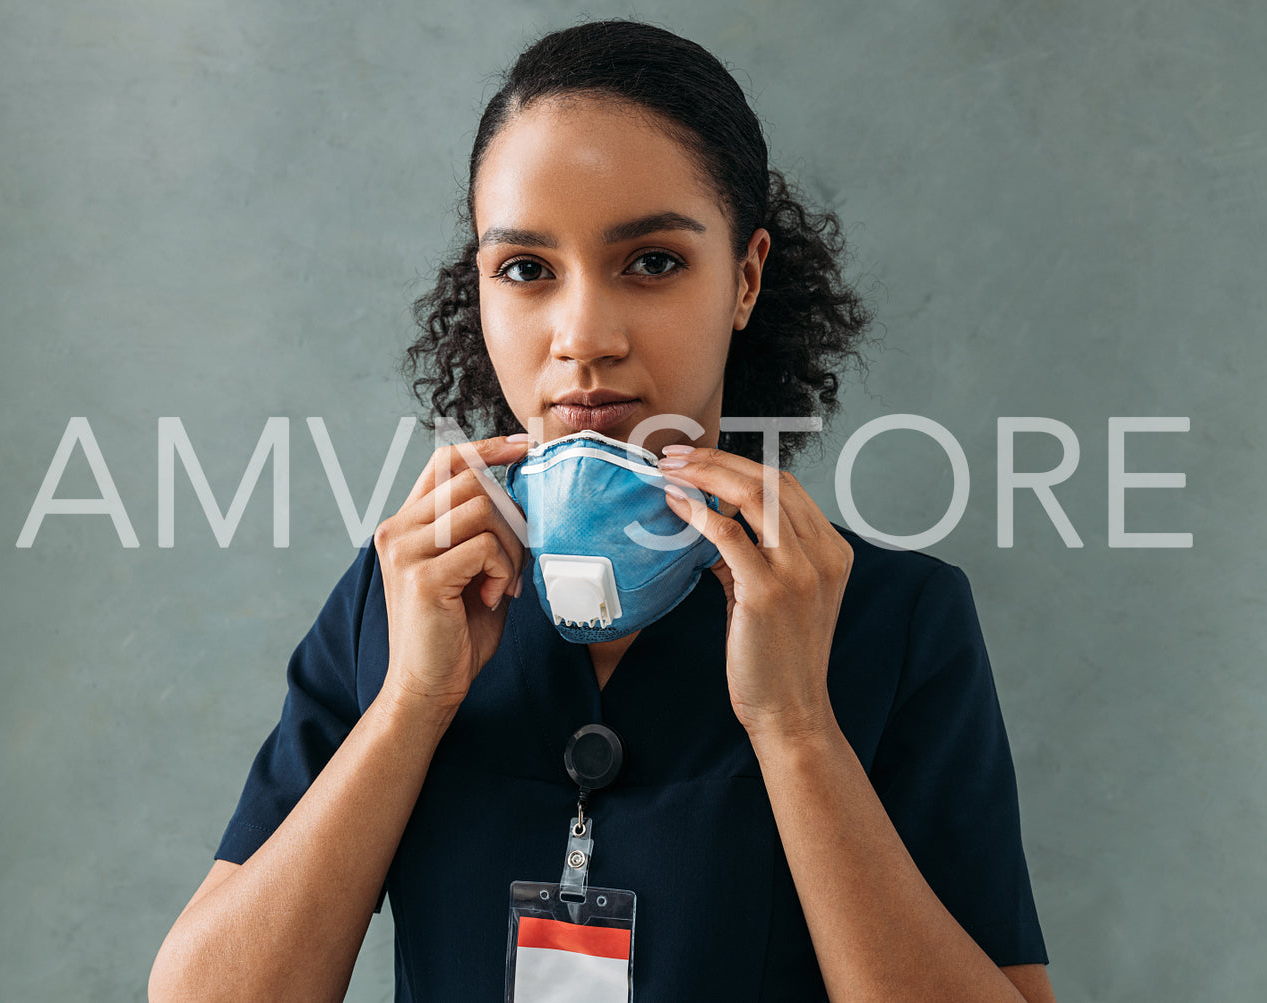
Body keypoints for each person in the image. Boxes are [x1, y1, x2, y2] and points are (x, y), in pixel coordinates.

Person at [150, 19, 1055, 1002]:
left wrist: (795, 726)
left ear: (744, 279)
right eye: (526, 270)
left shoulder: (893, 617)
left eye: (652, 262)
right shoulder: (399, 597)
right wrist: (413, 703)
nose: (582, 337)